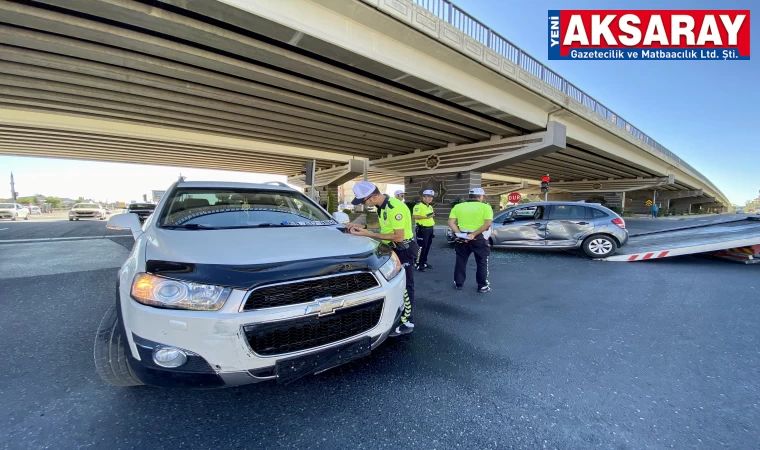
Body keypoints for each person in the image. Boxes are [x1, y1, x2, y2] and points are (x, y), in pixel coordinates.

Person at [348, 182, 417, 335]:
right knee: (393, 285)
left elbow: (399, 237)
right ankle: (397, 314)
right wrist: (362, 227)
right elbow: (382, 224)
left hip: (403, 248)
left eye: (363, 202)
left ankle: (408, 322)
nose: (364, 205)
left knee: (406, 286)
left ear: (372, 197)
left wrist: (368, 234)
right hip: (391, 248)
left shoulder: (395, 207)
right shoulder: (382, 206)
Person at [448, 188, 493, 293]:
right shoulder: (485, 207)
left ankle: (459, 283)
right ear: (480, 197)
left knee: (461, 261)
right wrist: (473, 234)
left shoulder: (458, 206)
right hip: (478, 237)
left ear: (470, 196)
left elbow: (451, 222)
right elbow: (487, 224)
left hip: (462, 237)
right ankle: (482, 286)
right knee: (481, 262)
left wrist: (460, 234)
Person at [412, 189, 436, 272]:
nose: (430, 198)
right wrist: (426, 217)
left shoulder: (430, 206)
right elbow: (414, 216)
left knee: (427, 247)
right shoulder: (418, 206)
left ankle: (424, 262)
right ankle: (418, 263)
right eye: (428, 196)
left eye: (431, 197)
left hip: (430, 229)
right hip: (422, 229)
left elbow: (430, 216)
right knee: (421, 247)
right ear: (423, 197)